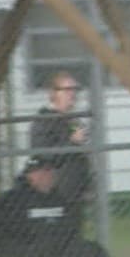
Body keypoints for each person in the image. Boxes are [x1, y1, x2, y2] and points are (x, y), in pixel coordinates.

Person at [30, 71, 92, 222]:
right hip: (55, 194)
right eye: (68, 90)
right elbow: (43, 154)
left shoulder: (72, 121)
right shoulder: (44, 120)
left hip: (75, 194)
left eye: (75, 90)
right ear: (55, 93)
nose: (73, 94)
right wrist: (72, 142)